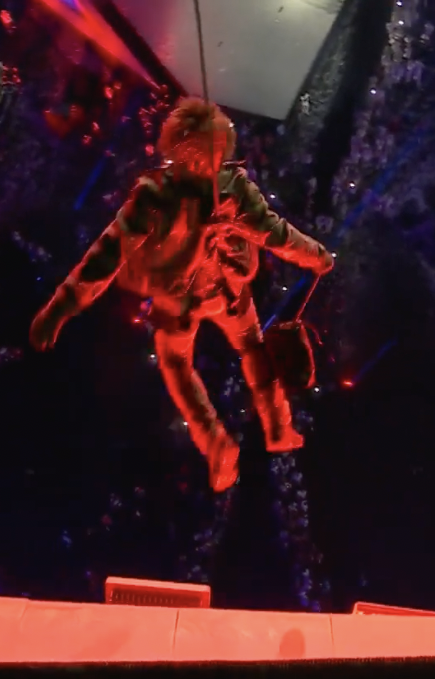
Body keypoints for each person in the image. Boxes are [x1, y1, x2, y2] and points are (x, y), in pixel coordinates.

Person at [29, 98, 334, 492]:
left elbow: (107, 254)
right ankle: (278, 428)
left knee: (177, 365)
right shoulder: (233, 188)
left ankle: (218, 444)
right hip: (228, 293)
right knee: (252, 348)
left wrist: (61, 307)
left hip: (182, 301)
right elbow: (276, 235)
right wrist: (317, 256)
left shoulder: (155, 196)